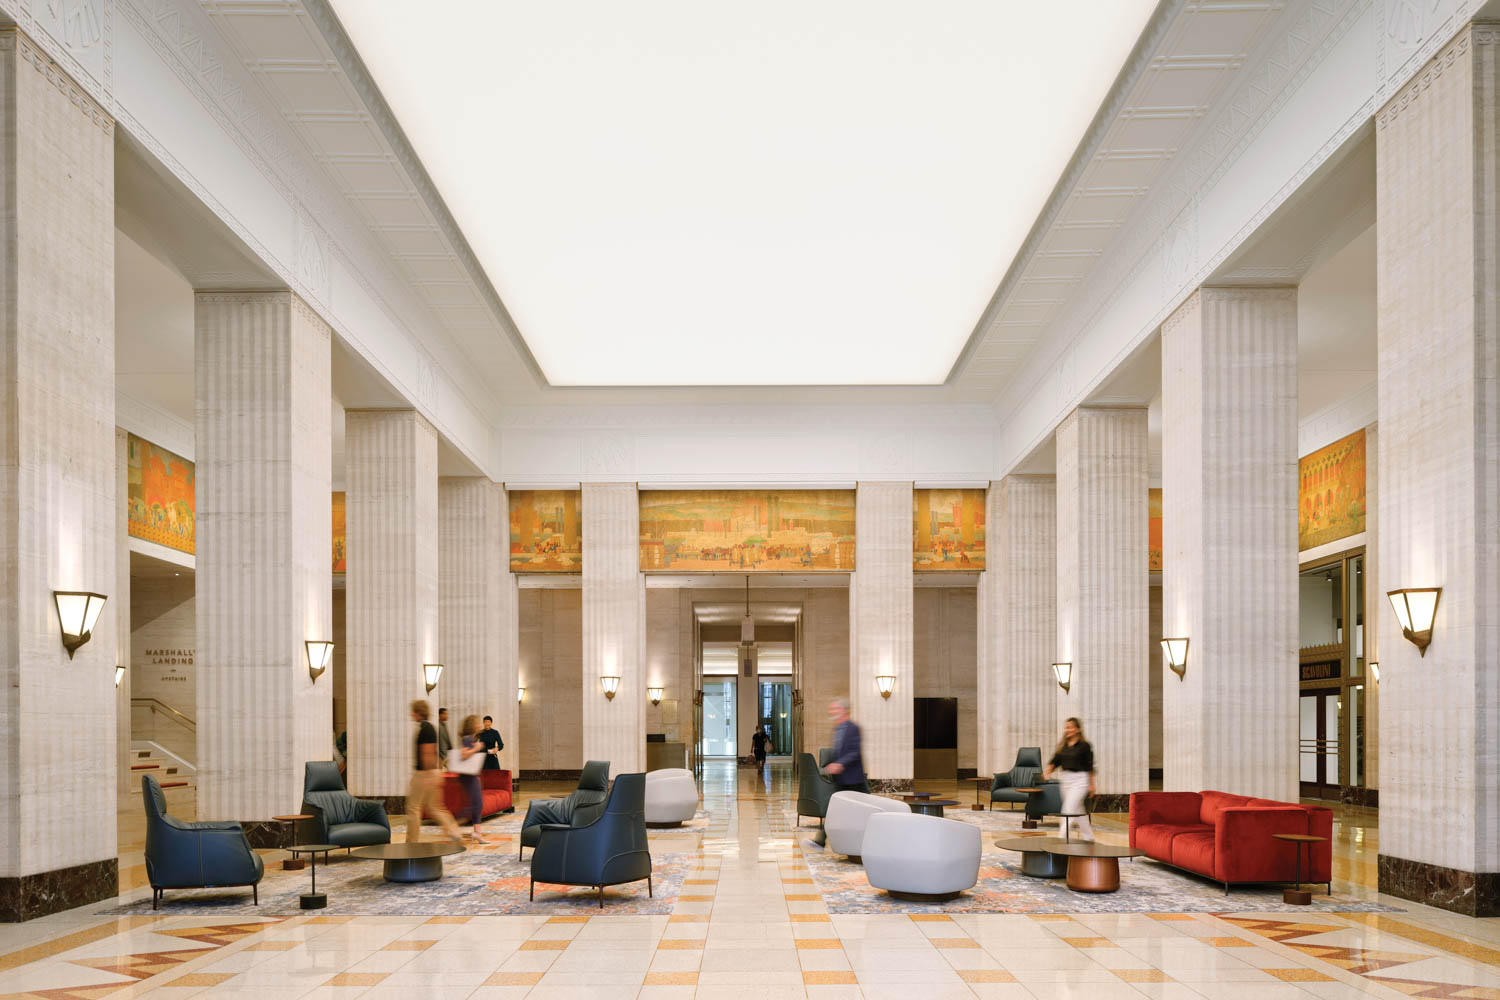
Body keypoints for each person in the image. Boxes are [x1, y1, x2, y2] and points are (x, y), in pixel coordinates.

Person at [404, 700, 461, 844]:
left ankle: (411, 842)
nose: (411, 714)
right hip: (432, 772)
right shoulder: (429, 727)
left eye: (413, 711)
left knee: (413, 808)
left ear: (417, 713)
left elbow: (427, 753)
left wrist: (427, 774)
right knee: (435, 807)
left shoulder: (425, 728)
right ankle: (454, 831)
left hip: (426, 773)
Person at [812, 697, 865, 846]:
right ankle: (821, 840)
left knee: (855, 813)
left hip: (853, 779)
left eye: (835, 709)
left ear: (844, 710)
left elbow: (855, 751)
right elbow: (839, 752)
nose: (832, 712)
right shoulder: (837, 729)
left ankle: (824, 840)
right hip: (841, 780)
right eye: (832, 709)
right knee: (834, 810)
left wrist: (840, 764)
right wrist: (832, 765)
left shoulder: (853, 728)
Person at [1043, 716, 1095, 843]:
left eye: (1070, 727)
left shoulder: (1084, 746)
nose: (1068, 730)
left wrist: (1092, 785)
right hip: (1066, 780)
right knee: (1078, 810)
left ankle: (1061, 838)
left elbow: (1090, 766)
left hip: (1080, 780)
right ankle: (1088, 838)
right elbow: (1055, 761)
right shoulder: (1063, 746)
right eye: (1066, 727)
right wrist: (1048, 771)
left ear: (1077, 729)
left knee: (1068, 809)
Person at [456, 714, 489, 843]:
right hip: (467, 776)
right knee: (477, 803)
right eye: (477, 723)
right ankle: (456, 820)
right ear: (472, 725)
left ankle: (477, 833)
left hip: (471, 775)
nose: (479, 725)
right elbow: (463, 755)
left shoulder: (471, 738)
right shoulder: (467, 739)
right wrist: (477, 748)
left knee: (477, 803)